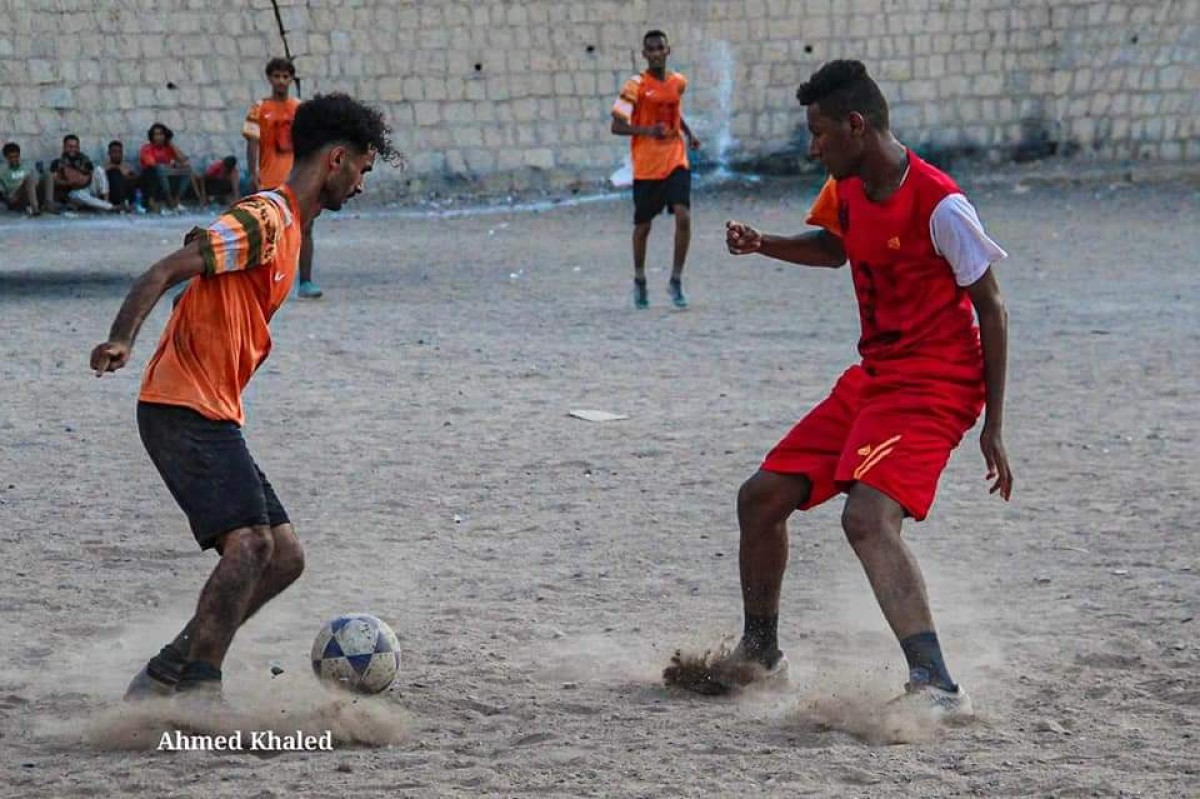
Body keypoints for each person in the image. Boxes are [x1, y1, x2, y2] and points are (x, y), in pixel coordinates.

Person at [693, 60, 1013, 717]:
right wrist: (765, 245)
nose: (812, 146)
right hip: (875, 378)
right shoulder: (845, 187)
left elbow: (993, 306)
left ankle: (937, 686)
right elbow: (835, 247)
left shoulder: (940, 202)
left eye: (819, 133)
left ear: (856, 125)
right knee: (760, 498)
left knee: (866, 518)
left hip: (937, 384)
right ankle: (761, 655)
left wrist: (993, 425)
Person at [90, 93, 396, 703]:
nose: (361, 184)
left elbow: (201, 271)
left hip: (213, 411)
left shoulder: (283, 230)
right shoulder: (266, 220)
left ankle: (170, 668)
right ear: (336, 159)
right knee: (250, 544)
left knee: (283, 557)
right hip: (181, 407)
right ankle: (200, 689)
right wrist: (121, 339)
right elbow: (163, 271)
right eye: (362, 168)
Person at [610, 29, 701, 310]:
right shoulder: (635, 86)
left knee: (683, 215)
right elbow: (617, 125)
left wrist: (688, 133)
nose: (657, 53)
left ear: (668, 50)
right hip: (647, 164)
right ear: (645, 54)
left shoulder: (678, 82)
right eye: (651, 49)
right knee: (643, 227)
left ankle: (676, 279)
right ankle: (640, 278)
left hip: (675, 156)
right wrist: (648, 130)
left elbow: (673, 111)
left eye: (661, 48)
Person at [244, 57, 322, 299]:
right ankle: (268, 282)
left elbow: (310, 144)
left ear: (291, 79)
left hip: (297, 181)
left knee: (306, 229)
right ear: (269, 78)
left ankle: (306, 282)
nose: (280, 81)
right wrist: (253, 173)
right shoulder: (259, 109)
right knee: (269, 233)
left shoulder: (300, 109)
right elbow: (252, 144)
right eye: (276, 76)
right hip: (270, 181)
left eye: (285, 76)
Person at [46, 134, 114, 212]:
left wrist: (82, 178)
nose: (72, 149)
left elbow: (90, 174)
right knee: (77, 194)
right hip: (72, 193)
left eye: (75, 147)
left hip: (88, 188)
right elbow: (54, 181)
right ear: (64, 147)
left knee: (99, 170)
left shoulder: (84, 160)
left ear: (78, 148)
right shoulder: (57, 163)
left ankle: (106, 202)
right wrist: (69, 183)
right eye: (69, 146)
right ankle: (110, 207)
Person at [139, 122, 193, 214]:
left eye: (161, 134)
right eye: (156, 134)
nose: (158, 137)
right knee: (160, 168)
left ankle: (176, 200)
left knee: (187, 169)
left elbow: (183, 159)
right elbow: (152, 164)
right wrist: (172, 165)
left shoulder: (168, 148)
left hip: (169, 178)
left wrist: (170, 144)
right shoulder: (147, 148)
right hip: (154, 180)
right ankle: (169, 200)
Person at [0, 142, 41, 216]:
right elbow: (3, 194)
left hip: (30, 193)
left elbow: (36, 181)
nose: (14, 159)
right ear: (6, 158)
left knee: (48, 175)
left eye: (16, 156)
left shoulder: (27, 167)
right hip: (15, 199)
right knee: (28, 179)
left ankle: (48, 204)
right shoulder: (2, 172)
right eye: (10, 157)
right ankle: (35, 208)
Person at [103, 140, 139, 211]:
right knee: (115, 173)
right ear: (109, 153)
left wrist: (127, 175)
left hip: (126, 195)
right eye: (114, 152)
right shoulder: (104, 167)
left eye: (119, 152)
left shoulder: (127, 167)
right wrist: (117, 169)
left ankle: (130, 204)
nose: (117, 155)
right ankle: (119, 205)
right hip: (112, 197)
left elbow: (136, 180)